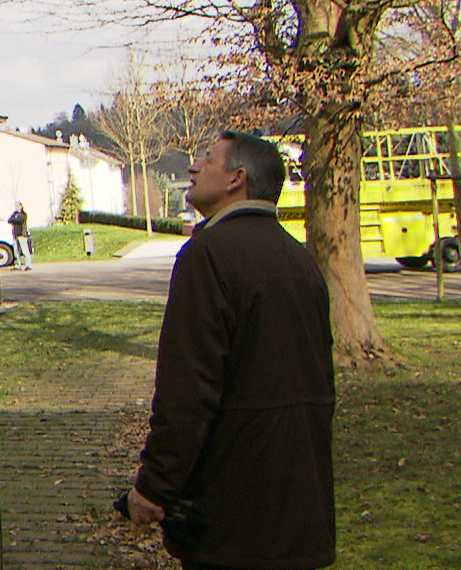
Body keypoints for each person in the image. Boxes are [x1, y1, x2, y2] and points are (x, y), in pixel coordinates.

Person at [126, 131, 335, 570]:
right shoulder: (299, 259)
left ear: (236, 178)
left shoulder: (208, 256)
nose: (193, 167)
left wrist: (153, 487)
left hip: (234, 516)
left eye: (207, 158)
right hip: (300, 512)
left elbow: (188, 391)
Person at [7, 205, 34, 269]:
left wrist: (14, 220)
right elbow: (9, 220)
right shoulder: (14, 213)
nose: (17, 207)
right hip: (15, 235)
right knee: (16, 251)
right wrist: (14, 219)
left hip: (22, 235)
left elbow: (19, 220)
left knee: (25, 250)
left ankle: (29, 265)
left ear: (21, 207)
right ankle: (19, 265)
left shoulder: (24, 214)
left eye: (19, 206)